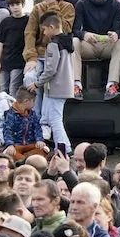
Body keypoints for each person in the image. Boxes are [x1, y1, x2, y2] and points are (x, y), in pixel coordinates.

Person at [72, 0, 120, 101]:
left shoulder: (115, 5)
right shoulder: (81, 4)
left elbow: (118, 30)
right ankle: (76, 85)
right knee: (74, 42)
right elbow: (75, 29)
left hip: (108, 44)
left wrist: (115, 34)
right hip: (89, 45)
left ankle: (111, 86)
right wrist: (84, 34)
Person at [35, 12, 73, 155]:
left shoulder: (53, 45)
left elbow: (50, 69)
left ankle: (63, 149)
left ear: (51, 27)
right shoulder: (68, 42)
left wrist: (37, 83)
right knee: (56, 118)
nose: (44, 33)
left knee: (55, 120)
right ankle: (65, 146)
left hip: (56, 88)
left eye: (44, 29)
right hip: (65, 86)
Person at [0, 0, 28, 97]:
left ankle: (13, 112)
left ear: (23, 4)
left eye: (17, 4)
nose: (15, 7)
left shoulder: (28, 20)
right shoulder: (5, 22)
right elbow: (1, 43)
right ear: (8, 7)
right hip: (5, 61)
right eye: (12, 5)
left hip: (19, 62)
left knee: (13, 89)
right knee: (3, 90)